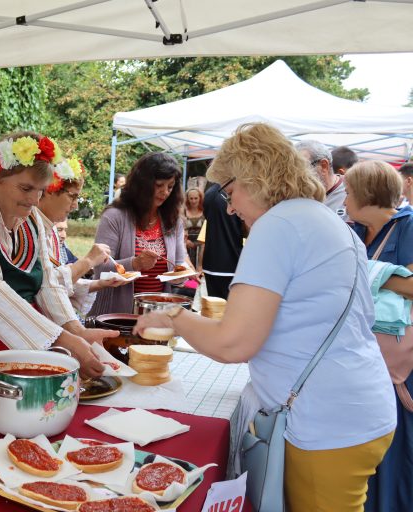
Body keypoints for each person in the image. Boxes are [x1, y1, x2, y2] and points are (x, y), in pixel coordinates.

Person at [135, 123, 396, 511]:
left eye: (230, 191)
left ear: (253, 178)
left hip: (324, 419)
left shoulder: (278, 226)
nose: (231, 206)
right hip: (353, 407)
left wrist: (172, 317)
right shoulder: (321, 219)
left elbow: (233, 342)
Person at [0, 131, 114, 378]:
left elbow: (47, 283)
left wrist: (75, 330)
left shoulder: (31, 219)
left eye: (40, 190)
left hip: (21, 347)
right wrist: (64, 340)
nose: (34, 200)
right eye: (26, 188)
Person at [344, 160, 413, 512]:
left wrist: (370, 272)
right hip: (363, 356)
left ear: (368, 195)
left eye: (350, 192)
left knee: (397, 449)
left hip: (399, 363)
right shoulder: (353, 230)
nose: (344, 200)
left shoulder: (409, 225)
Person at [89, 152, 191, 316]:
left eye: (170, 187)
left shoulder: (174, 221)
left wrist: (181, 276)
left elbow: (179, 264)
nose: (165, 192)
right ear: (142, 184)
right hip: (115, 316)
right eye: (159, 185)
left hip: (156, 314)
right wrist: (135, 264)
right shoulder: (115, 216)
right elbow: (100, 268)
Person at [37, 156, 126, 317]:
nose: (75, 205)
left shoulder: (49, 229)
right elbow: (45, 285)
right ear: (50, 190)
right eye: (72, 196)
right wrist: (88, 261)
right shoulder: (31, 227)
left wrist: (99, 283)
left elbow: (58, 283)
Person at [201, 182, 245, 299]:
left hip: (211, 263)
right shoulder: (237, 191)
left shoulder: (209, 194)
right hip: (232, 263)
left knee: (214, 311)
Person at [296, 139, 349, 221]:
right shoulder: (298, 197)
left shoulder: (353, 191)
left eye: (301, 168)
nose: (296, 175)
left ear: (323, 166)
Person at [183, 187, 205, 269]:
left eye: (196, 198)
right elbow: (181, 228)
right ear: (187, 199)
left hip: (202, 244)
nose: (193, 201)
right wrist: (185, 240)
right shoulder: (184, 211)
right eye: (191, 198)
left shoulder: (205, 211)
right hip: (187, 243)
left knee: (199, 268)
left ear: (200, 198)